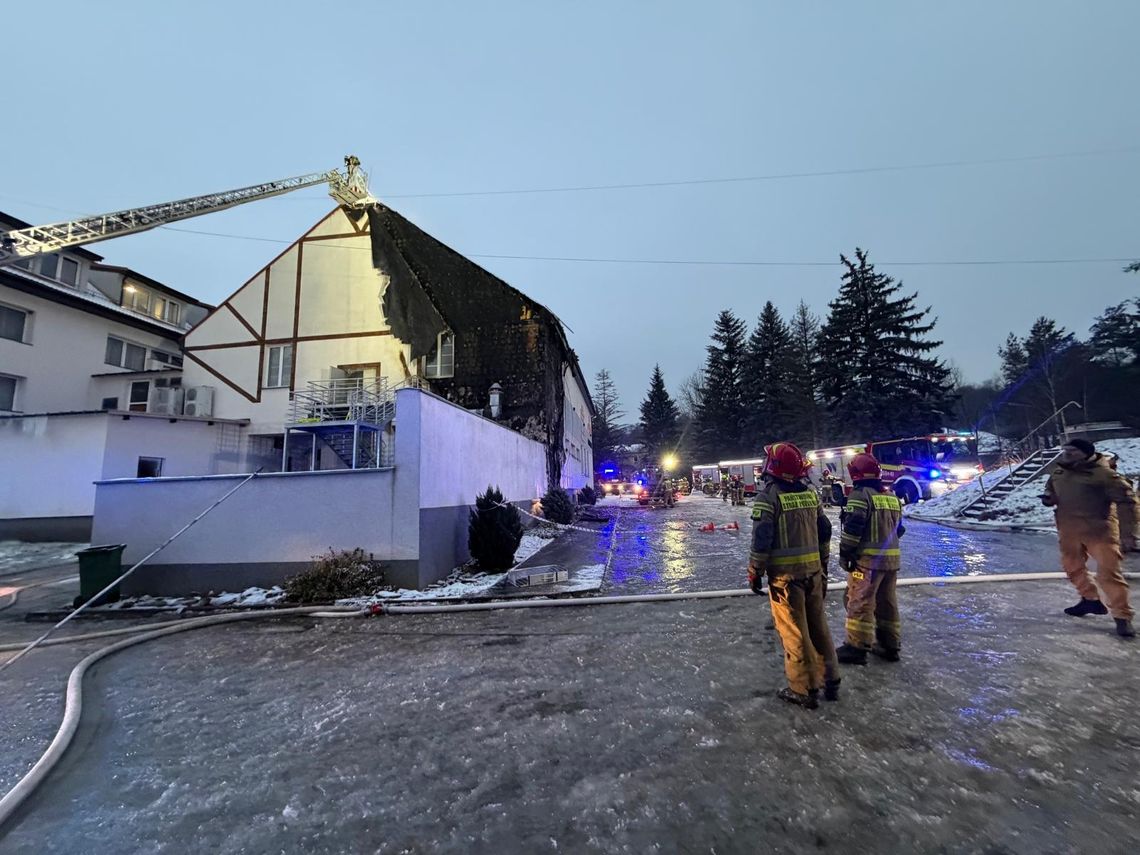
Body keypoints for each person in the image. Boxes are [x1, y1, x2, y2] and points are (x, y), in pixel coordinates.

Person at [748, 442, 840, 708]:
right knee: (819, 627)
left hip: (786, 580)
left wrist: (755, 571)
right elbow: (825, 532)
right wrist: (822, 566)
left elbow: (762, 539)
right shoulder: (810, 495)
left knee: (795, 633)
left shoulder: (768, 497)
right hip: (813, 573)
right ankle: (831, 678)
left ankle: (803, 688)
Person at [1042, 438, 1136, 638]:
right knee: (1072, 567)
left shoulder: (1104, 475)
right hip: (1069, 529)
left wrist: (1129, 535)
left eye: (1072, 451)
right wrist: (1049, 497)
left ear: (1085, 453)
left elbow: (1127, 502)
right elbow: (1051, 487)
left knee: (1109, 575)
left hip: (1100, 531)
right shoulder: (1060, 471)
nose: (1067, 454)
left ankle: (1122, 617)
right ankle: (1090, 599)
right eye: (1065, 450)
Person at [835, 453, 906, 664]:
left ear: (854, 473)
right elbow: (899, 529)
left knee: (859, 600)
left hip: (867, 563)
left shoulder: (860, 495)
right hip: (891, 562)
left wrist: (847, 552)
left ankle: (856, 646)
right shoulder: (891, 496)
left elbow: (854, 527)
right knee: (887, 603)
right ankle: (889, 645)